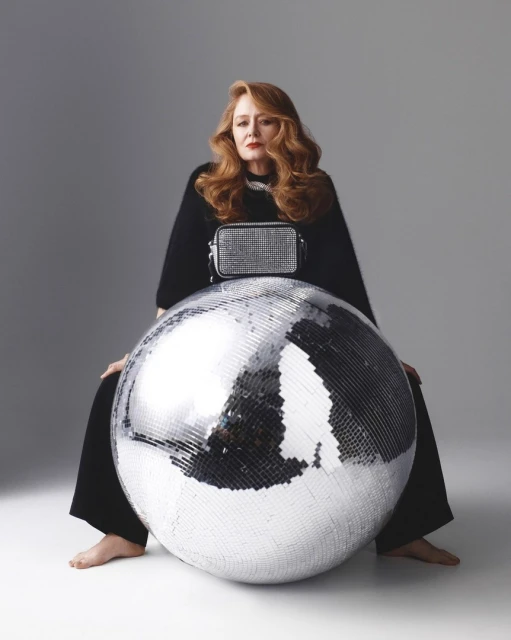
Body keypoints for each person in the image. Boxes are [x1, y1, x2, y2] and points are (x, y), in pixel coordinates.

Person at [69, 81, 460, 569]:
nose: (252, 131)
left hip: (303, 351)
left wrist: (382, 356)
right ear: (230, 133)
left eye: (265, 121)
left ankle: (403, 534)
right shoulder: (207, 185)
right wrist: (140, 357)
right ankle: (122, 533)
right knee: (114, 389)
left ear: (285, 128)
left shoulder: (315, 188)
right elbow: (176, 285)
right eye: (242, 122)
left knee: (403, 388)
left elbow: (345, 286)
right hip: (216, 349)